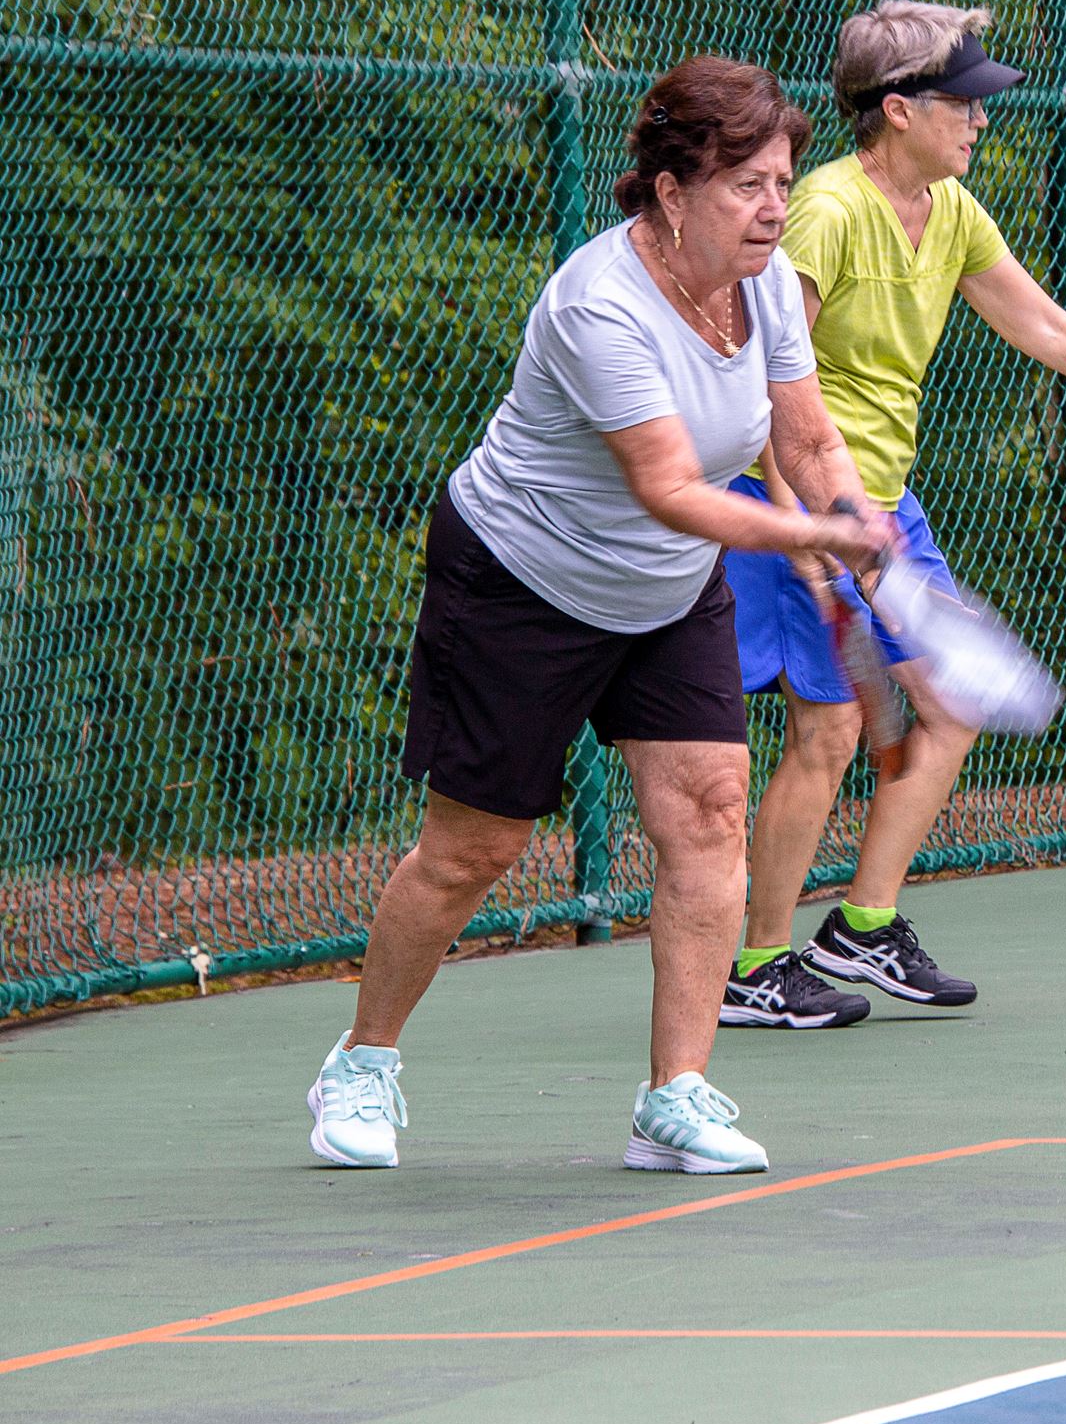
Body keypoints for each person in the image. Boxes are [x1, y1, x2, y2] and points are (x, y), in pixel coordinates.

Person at [306, 57, 898, 1172]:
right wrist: (821, 542)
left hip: (667, 589)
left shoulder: (766, 282)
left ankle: (675, 1094)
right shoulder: (598, 305)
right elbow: (672, 486)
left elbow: (808, 441)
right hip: (523, 579)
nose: (774, 205)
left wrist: (861, 524)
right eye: (746, 184)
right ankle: (362, 1058)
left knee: (710, 808)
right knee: (472, 849)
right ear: (672, 191)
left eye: (782, 180)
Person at [716, 1, 1066, 1028]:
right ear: (899, 111)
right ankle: (756, 965)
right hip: (788, 495)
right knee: (825, 729)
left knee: (946, 710)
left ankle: (861, 927)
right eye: (964, 103)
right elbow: (761, 380)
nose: (982, 120)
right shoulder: (824, 213)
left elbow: (1037, 321)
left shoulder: (950, 211)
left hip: (881, 503)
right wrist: (804, 533)